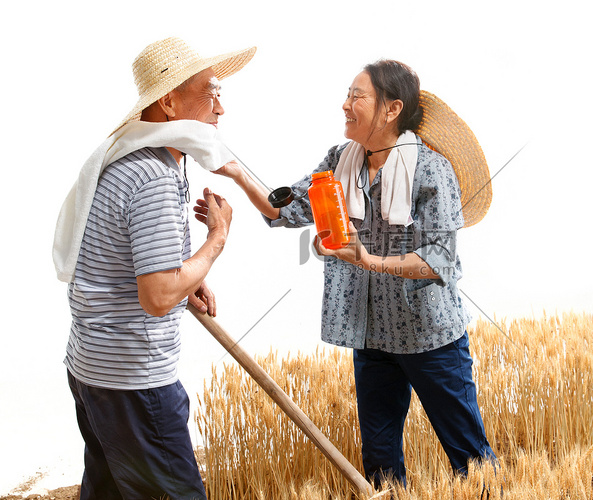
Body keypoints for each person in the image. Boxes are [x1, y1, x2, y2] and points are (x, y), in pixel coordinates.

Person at [207, 59, 496, 487]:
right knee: (380, 463)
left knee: (469, 457)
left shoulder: (431, 170)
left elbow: (440, 259)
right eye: (347, 95)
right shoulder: (341, 160)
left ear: (391, 109)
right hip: (371, 336)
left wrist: (369, 260)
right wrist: (235, 172)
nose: (345, 105)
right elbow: (284, 208)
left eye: (356, 97)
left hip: (430, 338)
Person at [52, 37, 255, 499]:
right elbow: (157, 296)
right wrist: (217, 239)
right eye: (212, 92)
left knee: (107, 492)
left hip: (93, 369)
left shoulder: (128, 160)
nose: (221, 109)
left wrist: (190, 281)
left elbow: (130, 265)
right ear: (168, 101)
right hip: (133, 382)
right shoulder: (152, 177)